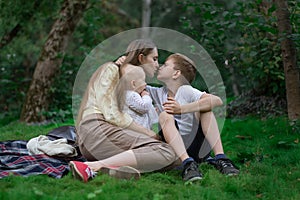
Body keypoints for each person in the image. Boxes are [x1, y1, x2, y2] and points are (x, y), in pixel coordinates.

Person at [69, 39, 202, 183]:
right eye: (154, 59)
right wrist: (150, 134)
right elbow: (113, 115)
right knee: (166, 151)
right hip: (96, 131)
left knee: (175, 159)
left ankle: (117, 168)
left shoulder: (136, 87)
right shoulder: (111, 69)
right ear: (141, 58)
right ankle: (93, 166)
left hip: (106, 140)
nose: (157, 65)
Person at [147, 53, 240, 176]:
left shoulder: (186, 90)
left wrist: (181, 109)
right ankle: (187, 163)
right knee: (165, 115)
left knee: (205, 110)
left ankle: (221, 158)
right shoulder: (157, 92)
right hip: (173, 148)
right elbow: (130, 82)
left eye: (165, 65)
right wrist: (120, 64)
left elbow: (217, 100)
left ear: (176, 74)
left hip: (195, 146)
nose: (160, 67)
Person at [120, 65, 158, 130]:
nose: (145, 84)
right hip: (137, 132)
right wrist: (146, 95)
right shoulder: (131, 95)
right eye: (143, 81)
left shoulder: (130, 95)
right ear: (133, 84)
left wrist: (154, 111)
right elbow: (144, 106)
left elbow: (143, 109)